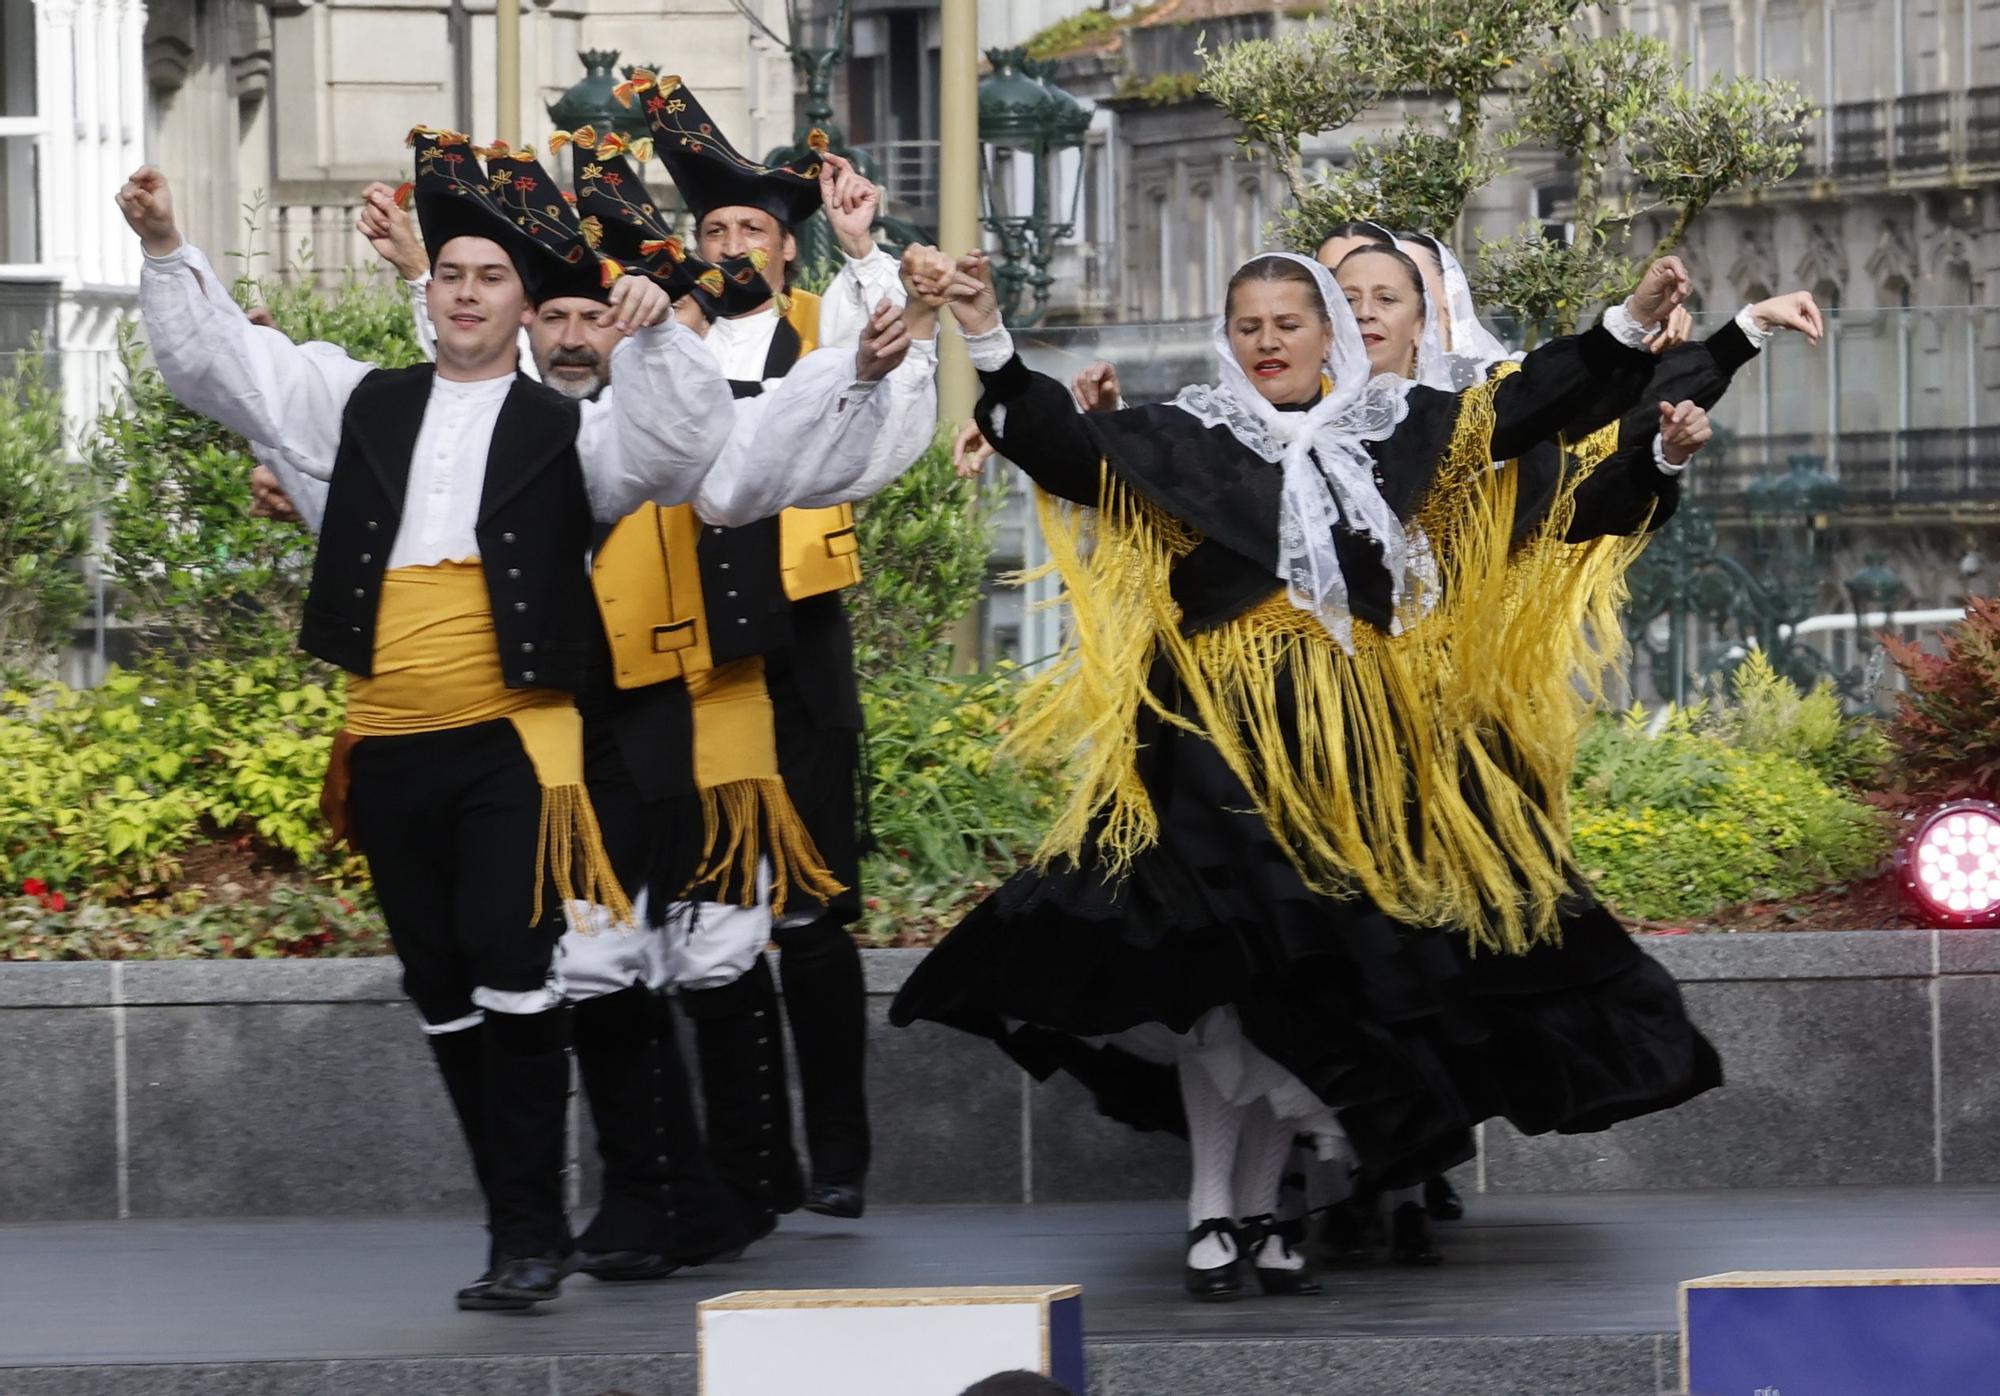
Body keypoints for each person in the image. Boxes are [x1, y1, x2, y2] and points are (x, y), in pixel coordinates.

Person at [119, 129, 907, 1311]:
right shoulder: (387, 407)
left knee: (637, 957)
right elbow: (260, 386)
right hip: (466, 731)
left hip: (609, 728)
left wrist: (819, 310)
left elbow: (720, 454)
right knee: (525, 973)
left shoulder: (595, 422)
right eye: (457, 278)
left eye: (510, 284)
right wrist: (172, 250)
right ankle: (645, 1197)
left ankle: (669, 1198)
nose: (498, 305)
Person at [893, 244, 1719, 1301]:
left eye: (1291, 322)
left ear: (1328, 332)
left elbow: (1522, 412)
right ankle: (1214, 1209)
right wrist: (985, 327)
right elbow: (1058, 447)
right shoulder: (1183, 436)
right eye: (1250, 325)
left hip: (1352, 760)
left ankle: (1267, 1206)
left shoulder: (1398, 431)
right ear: (1226, 338)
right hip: (1212, 747)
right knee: (1218, 982)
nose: (1270, 341)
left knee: (1308, 982)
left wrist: (1626, 318)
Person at [635, 72, 926, 1231]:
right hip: (681, 638)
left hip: (799, 634)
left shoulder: (825, 327)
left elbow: (884, 355)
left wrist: (865, 244)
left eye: (753, 226)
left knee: (811, 909)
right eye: (713, 227)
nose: (732, 243)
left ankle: (840, 1152)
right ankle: (738, 1155)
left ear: (784, 249)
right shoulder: (662, 335)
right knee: (703, 908)